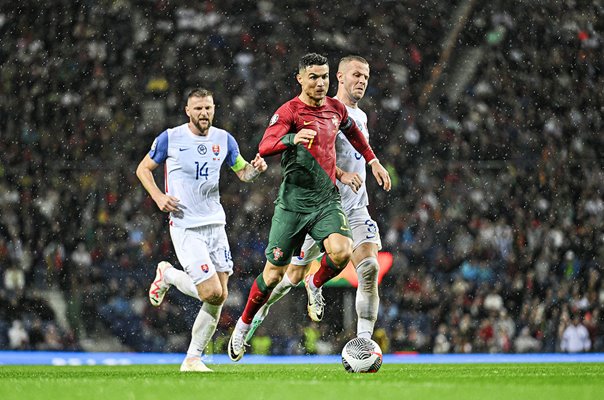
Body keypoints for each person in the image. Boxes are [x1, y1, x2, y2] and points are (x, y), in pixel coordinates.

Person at [227, 53, 391, 362]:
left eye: (366, 77)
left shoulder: (354, 116)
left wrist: (373, 161)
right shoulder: (306, 110)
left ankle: (363, 345)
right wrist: (296, 142)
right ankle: (254, 315)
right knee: (285, 277)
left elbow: (350, 147)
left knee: (367, 268)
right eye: (356, 74)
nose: (362, 81)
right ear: (339, 78)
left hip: (347, 209)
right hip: (306, 205)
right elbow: (306, 151)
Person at [136, 88, 267, 372]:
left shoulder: (224, 139)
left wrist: (255, 169)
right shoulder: (171, 138)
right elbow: (143, 169)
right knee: (211, 293)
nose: (204, 113)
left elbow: (242, 172)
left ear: (214, 108)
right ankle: (167, 274)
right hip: (186, 226)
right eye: (198, 109)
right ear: (187, 110)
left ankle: (193, 359)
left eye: (208, 108)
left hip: (215, 225)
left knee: (220, 294)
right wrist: (159, 197)